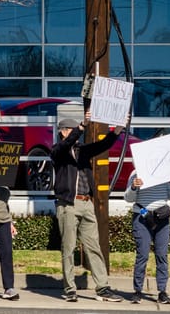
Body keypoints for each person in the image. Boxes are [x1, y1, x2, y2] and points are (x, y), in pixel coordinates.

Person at [50, 112, 124, 302]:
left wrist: (116, 130)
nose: (76, 134)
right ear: (63, 132)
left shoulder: (82, 151)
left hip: (86, 203)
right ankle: (70, 289)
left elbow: (102, 145)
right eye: (72, 130)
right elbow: (65, 146)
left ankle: (103, 288)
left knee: (94, 247)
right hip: (68, 204)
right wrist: (81, 126)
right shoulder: (57, 150)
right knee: (68, 249)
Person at [124, 168, 170, 304]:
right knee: (142, 255)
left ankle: (162, 292)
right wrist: (133, 187)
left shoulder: (163, 174)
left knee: (162, 255)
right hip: (142, 217)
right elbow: (128, 198)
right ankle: (137, 291)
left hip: (162, 218)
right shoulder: (135, 173)